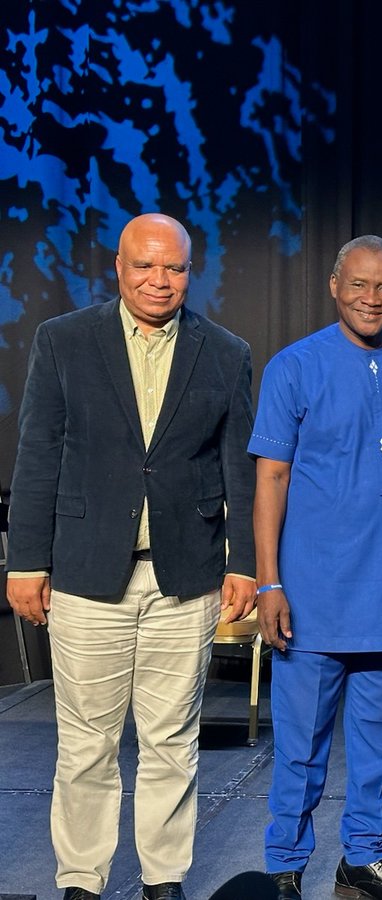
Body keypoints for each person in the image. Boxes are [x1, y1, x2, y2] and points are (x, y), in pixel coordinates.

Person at [5, 213, 256, 900]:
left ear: (188, 271)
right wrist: (25, 560)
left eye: (173, 267)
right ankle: (82, 883)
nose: (159, 279)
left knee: (172, 738)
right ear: (118, 268)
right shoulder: (64, 341)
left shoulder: (226, 352)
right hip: (87, 573)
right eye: (145, 265)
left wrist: (245, 562)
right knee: (85, 743)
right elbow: (36, 456)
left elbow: (238, 466)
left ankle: (163, 880)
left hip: (188, 575)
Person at [250, 235, 382, 900]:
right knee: (298, 749)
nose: (371, 297)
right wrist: (269, 582)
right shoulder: (293, 367)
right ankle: (284, 866)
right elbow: (270, 480)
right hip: (310, 595)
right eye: (359, 284)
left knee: (378, 753)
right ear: (335, 286)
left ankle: (364, 857)